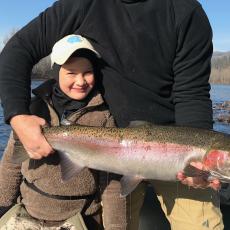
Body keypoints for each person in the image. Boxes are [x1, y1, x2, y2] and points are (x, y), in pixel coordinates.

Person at [0, 0, 223, 229]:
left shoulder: (186, 10)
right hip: (110, 154)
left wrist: (199, 163)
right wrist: (18, 116)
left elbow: (192, 92)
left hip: (177, 149)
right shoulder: (82, 4)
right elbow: (18, 50)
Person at [0, 34, 138, 230]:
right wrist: (3, 204)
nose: (80, 81)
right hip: (29, 213)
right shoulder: (33, 109)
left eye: (87, 72)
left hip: (81, 219)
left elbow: (111, 184)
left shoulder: (105, 116)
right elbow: (11, 164)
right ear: (56, 74)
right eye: (71, 73)